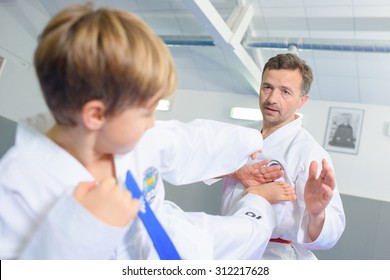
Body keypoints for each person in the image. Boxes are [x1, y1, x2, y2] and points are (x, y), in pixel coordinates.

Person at [0, 4, 296, 260]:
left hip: (163, 235)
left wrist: (244, 150)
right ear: (96, 115)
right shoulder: (20, 186)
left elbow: (186, 141)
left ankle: (257, 202)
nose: (152, 122)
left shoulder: (124, 134)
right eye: (146, 112)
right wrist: (80, 230)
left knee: (243, 233)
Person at [221, 53, 346, 260]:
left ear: (301, 101)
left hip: (274, 256)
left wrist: (317, 215)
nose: (271, 99)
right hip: (232, 247)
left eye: (285, 92)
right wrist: (236, 172)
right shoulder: (242, 137)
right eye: (267, 87)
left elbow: (332, 234)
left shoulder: (308, 152)